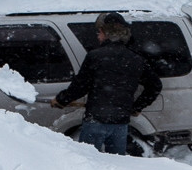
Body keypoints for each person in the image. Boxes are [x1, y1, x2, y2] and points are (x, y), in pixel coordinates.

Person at [50, 12, 162, 155]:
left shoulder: (95, 56)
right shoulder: (135, 59)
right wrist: (136, 106)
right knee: (116, 164)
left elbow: (80, 86)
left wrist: (61, 100)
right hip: (120, 123)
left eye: (99, 32)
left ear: (107, 33)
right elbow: (155, 85)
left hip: (95, 120)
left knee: (87, 160)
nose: (98, 36)